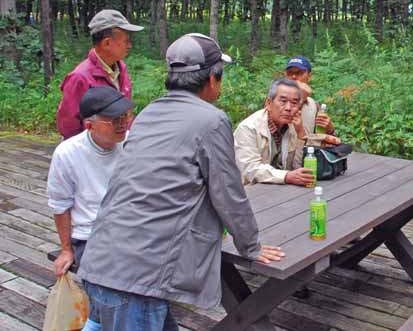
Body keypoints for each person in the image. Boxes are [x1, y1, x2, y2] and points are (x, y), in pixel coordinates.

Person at [78, 33, 283, 331]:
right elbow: (228, 193)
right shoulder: (211, 120)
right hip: (138, 278)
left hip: (103, 259)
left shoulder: (149, 113)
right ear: (212, 79)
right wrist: (251, 247)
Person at [47, 86, 133, 331]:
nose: (123, 124)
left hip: (131, 230)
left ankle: (95, 322)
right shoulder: (68, 153)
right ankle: (97, 322)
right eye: (114, 120)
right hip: (90, 236)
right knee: (114, 287)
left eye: (125, 116)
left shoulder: (132, 144)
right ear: (89, 125)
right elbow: (60, 205)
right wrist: (66, 249)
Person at [56, 9, 143, 139]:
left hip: (119, 145)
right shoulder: (80, 77)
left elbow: (126, 113)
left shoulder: (121, 69)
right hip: (91, 149)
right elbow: (68, 127)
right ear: (107, 43)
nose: (130, 45)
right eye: (126, 41)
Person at [234, 78, 315, 186]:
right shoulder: (248, 128)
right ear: (268, 103)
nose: (288, 108)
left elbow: (298, 167)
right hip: (248, 190)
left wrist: (301, 133)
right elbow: (250, 169)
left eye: (294, 103)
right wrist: (286, 176)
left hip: (278, 190)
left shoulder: (293, 126)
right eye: (283, 101)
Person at [283, 56, 335, 136]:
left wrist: (329, 129)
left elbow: (322, 139)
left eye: (299, 73)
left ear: (309, 76)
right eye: (290, 73)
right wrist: (300, 100)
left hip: (306, 144)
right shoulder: (275, 100)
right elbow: (273, 130)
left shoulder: (314, 106)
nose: (294, 77)